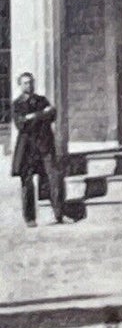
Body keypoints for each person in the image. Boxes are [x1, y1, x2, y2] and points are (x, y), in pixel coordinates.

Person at [10, 73, 66, 227]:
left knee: (53, 177)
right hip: (27, 148)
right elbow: (21, 125)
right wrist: (42, 115)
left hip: (44, 145)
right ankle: (30, 219)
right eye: (25, 83)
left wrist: (32, 117)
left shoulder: (42, 100)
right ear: (20, 86)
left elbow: (53, 115)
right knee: (27, 183)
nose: (29, 85)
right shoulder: (17, 104)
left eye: (31, 82)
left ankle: (58, 214)